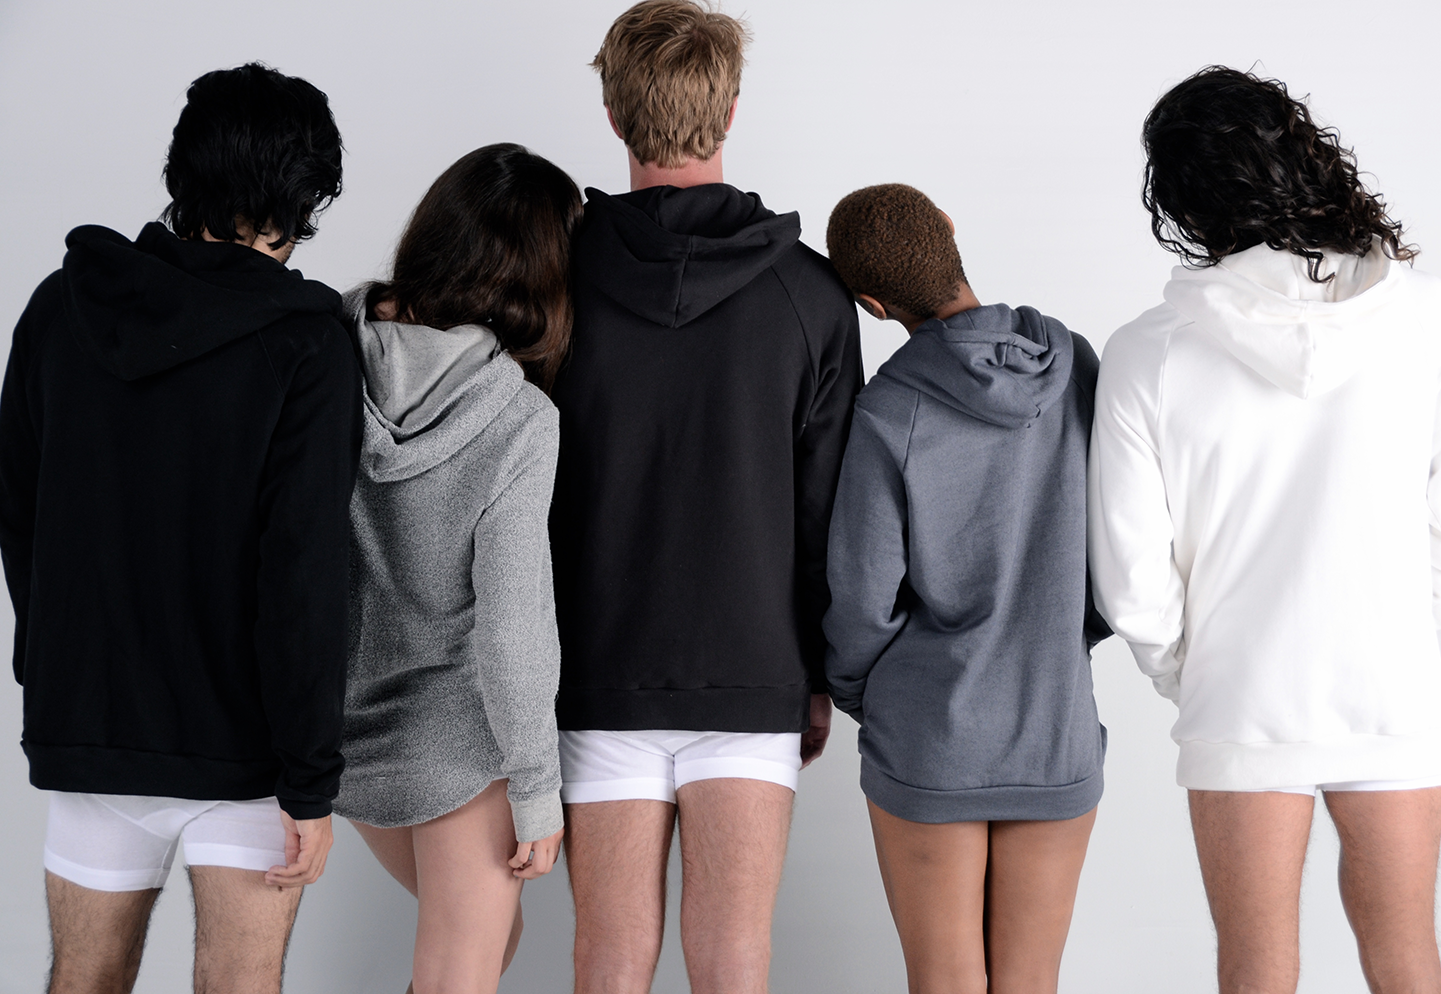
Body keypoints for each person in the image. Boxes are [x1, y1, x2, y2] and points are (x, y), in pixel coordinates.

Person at [1088, 66, 1441, 994]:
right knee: (1409, 960)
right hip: (1392, 690)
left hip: (1240, 697)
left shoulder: (1148, 352)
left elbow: (1130, 574)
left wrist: (1198, 667)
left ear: (1182, 198)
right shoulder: (1424, 313)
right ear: (1303, 157)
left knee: (1254, 971)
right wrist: (1386, 621)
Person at [0, 63, 358, 994]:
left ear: (182, 171)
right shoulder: (308, 344)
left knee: (82, 980)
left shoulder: (60, 307)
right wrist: (311, 777)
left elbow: (20, 513)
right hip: (245, 750)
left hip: (92, 725)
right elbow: (302, 572)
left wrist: (53, 669)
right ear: (305, 197)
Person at [548, 2, 863, 991]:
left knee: (606, 957)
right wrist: (818, 674)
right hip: (753, 672)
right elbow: (828, 515)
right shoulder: (813, 298)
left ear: (612, 114)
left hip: (596, 670)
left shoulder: (551, 284)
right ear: (729, 112)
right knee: (732, 961)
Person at [821, 183, 1109, 994]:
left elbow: (862, 596)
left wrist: (861, 693)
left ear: (873, 306)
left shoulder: (889, 408)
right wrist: (1069, 638)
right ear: (949, 228)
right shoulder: (1075, 362)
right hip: (1053, 722)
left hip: (929, 731)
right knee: (1031, 982)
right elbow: (1115, 540)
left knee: (942, 980)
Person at [336, 143, 578, 994]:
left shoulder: (326, 350)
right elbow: (513, 625)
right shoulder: (519, 419)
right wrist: (538, 788)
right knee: (461, 974)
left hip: (333, 722)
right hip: (455, 741)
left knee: (494, 940)